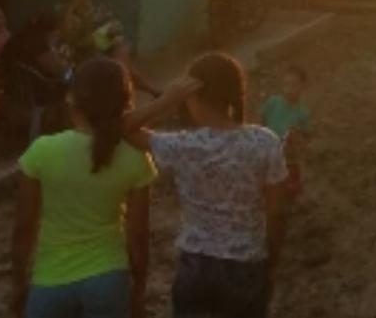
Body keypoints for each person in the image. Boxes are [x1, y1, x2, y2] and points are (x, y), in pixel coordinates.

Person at [125, 52, 289, 318]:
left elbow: (121, 127)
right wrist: (271, 264)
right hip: (247, 264)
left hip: (196, 266)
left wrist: (166, 100)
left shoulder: (183, 145)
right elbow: (277, 212)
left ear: (193, 96)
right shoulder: (265, 142)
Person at [10, 57, 157, 318]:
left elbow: (25, 226)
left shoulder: (42, 151)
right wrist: (138, 290)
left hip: (50, 282)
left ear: (71, 98)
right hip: (108, 280)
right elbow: (138, 237)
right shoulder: (135, 157)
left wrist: (19, 282)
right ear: (126, 102)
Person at [260, 65, 313, 200]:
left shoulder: (303, 112)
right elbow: (262, 121)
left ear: (303, 86)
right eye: (286, 84)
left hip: (290, 157)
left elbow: (307, 136)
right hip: (270, 153)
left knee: (290, 188)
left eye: (294, 85)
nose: (289, 89)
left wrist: (298, 141)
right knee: (269, 186)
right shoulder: (273, 102)